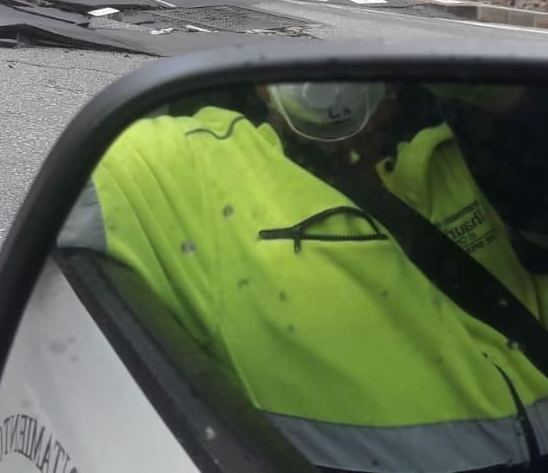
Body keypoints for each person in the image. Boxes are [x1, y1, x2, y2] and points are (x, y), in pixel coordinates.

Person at [60, 82, 548, 473]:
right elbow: (54, 189)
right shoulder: (190, 167)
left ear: (396, 85)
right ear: (258, 87)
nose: (327, 88)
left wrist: (507, 98)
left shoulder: (475, 154)